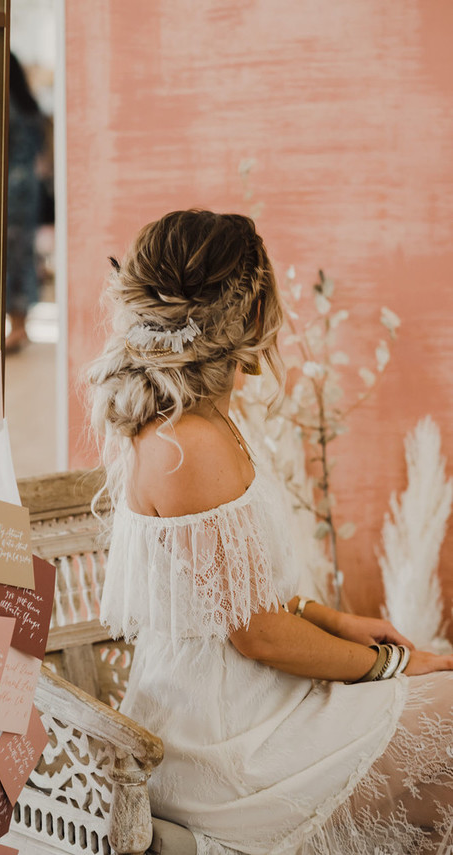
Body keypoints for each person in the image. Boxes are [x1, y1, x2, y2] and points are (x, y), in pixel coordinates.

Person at [87, 210, 453, 854]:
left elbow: (234, 594)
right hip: (224, 745)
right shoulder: (187, 445)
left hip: (248, 705)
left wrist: (333, 619)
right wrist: (391, 665)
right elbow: (256, 635)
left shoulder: (201, 424)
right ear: (251, 318)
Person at [0, 52, 46, 352]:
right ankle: (20, 326)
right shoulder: (31, 107)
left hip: (2, 192)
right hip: (28, 192)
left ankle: (3, 331)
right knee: (21, 258)